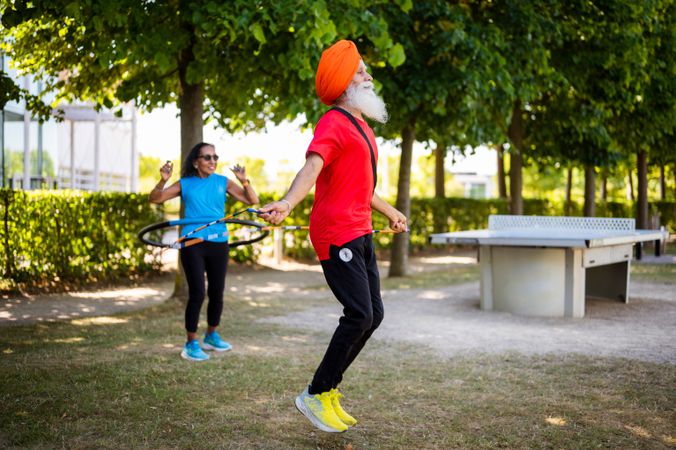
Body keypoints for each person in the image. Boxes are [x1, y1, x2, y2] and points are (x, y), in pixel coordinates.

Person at [259, 40, 407, 433]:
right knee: (358, 313)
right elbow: (312, 166)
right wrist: (289, 203)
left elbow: (360, 186)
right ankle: (315, 391)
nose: (368, 76)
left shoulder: (362, 130)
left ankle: (326, 392)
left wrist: (390, 211)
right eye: (360, 71)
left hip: (361, 230)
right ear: (344, 84)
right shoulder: (333, 122)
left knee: (373, 316)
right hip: (336, 231)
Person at [149, 142, 259, 362]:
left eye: (215, 157)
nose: (212, 161)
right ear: (195, 161)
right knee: (198, 292)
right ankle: (191, 342)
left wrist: (244, 180)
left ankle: (211, 336)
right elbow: (155, 198)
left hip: (219, 241)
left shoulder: (223, 182)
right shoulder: (185, 183)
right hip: (193, 242)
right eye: (207, 157)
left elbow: (252, 201)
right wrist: (163, 180)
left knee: (217, 291)